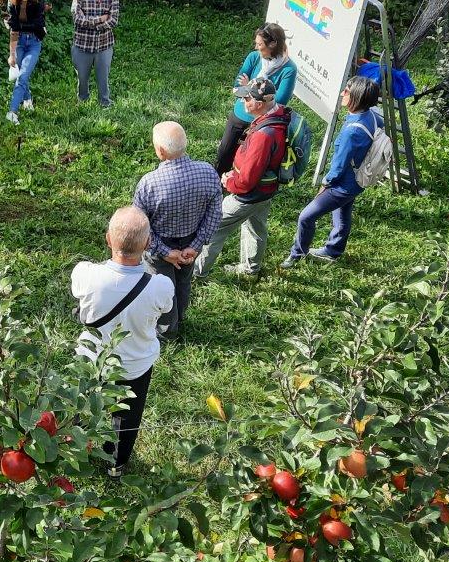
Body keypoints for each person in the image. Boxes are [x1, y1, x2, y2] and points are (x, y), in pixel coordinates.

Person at [71, 206, 174, 478]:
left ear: (108, 239)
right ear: (149, 243)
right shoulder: (161, 286)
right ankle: (115, 465)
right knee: (127, 418)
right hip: (135, 365)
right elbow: (165, 311)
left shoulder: (85, 274)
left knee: (79, 404)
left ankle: (73, 450)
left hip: (92, 360)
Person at [132, 122, 222, 339]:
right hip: (191, 242)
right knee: (183, 282)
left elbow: (140, 225)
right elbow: (214, 213)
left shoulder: (149, 184)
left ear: (160, 151)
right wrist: (196, 245)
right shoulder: (208, 172)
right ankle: (180, 316)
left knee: (161, 289)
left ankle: (166, 332)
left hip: (160, 245)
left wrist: (164, 252)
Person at [281, 76, 382, 268]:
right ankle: (333, 249)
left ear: (357, 97)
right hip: (358, 181)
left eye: (347, 91)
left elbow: (338, 166)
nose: (343, 93)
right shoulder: (372, 116)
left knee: (306, 217)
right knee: (342, 213)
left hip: (342, 186)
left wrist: (325, 184)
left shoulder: (352, 132)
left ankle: (297, 254)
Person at [195, 79, 292, 278]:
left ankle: (197, 272)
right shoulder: (276, 115)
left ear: (259, 103)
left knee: (214, 228)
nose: (242, 102)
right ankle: (250, 269)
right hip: (266, 189)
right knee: (256, 226)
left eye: (246, 98)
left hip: (248, 194)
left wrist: (229, 181)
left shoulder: (263, 136)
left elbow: (246, 181)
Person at [214, 23, 297, 175]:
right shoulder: (253, 58)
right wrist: (258, 94)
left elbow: (278, 103)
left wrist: (249, 86)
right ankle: (216, 181)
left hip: (262, 124)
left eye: (260, 44)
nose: (256, 47)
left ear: (272, 44)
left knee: (250, 161)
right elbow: (237, 88)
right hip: (241, 114)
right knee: (224, 152)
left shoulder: (289, 69)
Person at [70, 0, 120, 108]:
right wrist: (100, 19)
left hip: (104, 44)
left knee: (103, 78)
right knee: (82, 79)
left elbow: (113, 20)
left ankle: (105, 104)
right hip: (82, 44)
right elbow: (77, 19)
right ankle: (83, 102)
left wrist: (91, 23)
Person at [4, 0, 47, 125]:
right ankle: (27, 98)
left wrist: (16, 26)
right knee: (19, 73)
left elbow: (38, 23)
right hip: (19, 41)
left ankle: (12, 112)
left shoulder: (39, 0)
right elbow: (13, 30)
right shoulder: (12, 3)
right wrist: (12, 55)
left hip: (34, 42)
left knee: (23, 76)